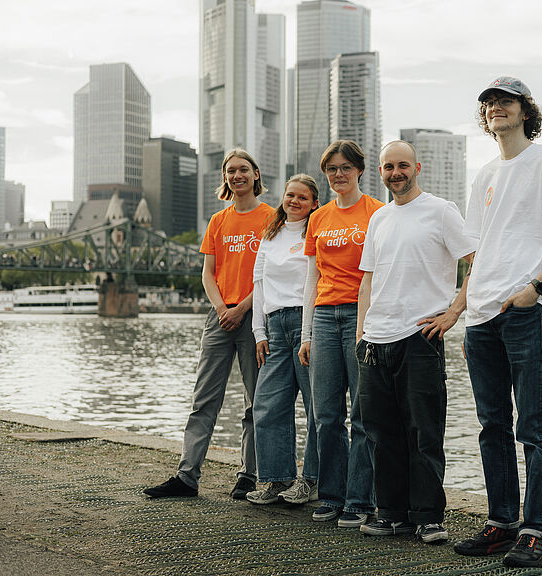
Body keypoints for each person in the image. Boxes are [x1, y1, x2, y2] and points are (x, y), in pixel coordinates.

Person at [452, 77, 542, 567]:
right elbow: (478, 253)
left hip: (525, 312)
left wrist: (536, 289)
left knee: (533, 426)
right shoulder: (484, 175)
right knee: (491, 425)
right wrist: (465, 311)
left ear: (525, 111)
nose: (495, 109)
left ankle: (535, 532)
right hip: (483, 317)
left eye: (504, 101)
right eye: (488, 104)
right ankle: (501, 524)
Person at [356, 141, 476, 543]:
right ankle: (391, 513)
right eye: (388, 166)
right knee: (381, 434)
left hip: (420, 336)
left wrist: (454, 311)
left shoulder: (442, 211)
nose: (396, 172)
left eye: (403, 165)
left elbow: (476, 261)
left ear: (417, 168)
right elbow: (368, 278)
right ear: (381, 172)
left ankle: (427, 517)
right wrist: (361, 332)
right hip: (376, 339)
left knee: (423, 433)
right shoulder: (379, 218)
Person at [144, 148, 276, 500]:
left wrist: (242, 308)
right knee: (204, 399)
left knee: (255, 400)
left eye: (243, 169)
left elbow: (270, 275)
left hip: (255, 317)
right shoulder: (218, 221)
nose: (237, 176)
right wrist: (222, 308)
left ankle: (248, 475)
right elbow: (208, 273)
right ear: (225, 178)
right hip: (220, 316)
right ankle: (187, 477)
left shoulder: (271, 218)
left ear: (256, 174)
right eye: (231, 171)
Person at [298, 140, 384, 528]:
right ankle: (331, 495)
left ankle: (359, 500)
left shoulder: (378, 214)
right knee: (325, 415)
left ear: (360, 170)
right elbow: (311, 278)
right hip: (325, 316)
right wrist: (306, 333)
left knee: (361, 415)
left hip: (359, 315)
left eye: (345, 168)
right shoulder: (319, 218)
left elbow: (380, 275)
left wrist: (372, 325)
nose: (338, 175)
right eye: (331, 169)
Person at [246, 174, 321, 506]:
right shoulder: (271, 234)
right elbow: (258, 283)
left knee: (317, 407)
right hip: (275, 327)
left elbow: (316, 281)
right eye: (290, 195)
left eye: (302, 198)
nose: (294, 201)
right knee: (267, 405)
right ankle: (277, 479)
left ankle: (313, 480)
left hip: (307, 324)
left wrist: (309, 333)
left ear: (314, 204)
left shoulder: (315, 231)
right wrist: (258, 332)